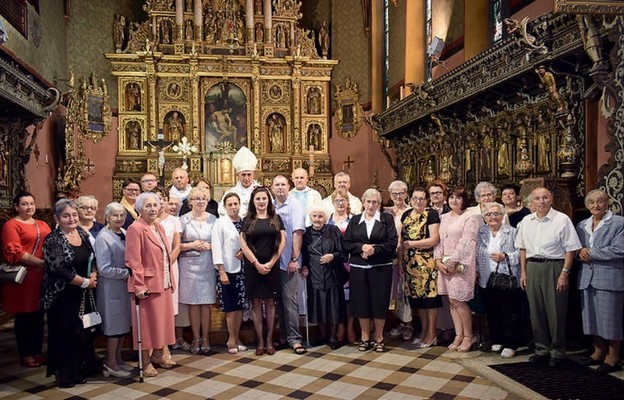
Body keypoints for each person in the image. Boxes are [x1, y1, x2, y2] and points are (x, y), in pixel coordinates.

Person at [515, 187, 581, 367]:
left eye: (545, 197)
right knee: (536, 312)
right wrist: (523, 272)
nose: (541, 201)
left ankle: (558, 351)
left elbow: (571, 249)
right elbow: (522, 248)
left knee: (555, 312)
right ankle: (541, 349)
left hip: (554, 267)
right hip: (532, 267)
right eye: (537, 198)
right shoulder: (526, 220)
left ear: (551, 200)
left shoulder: (562, 220)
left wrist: (564, 273)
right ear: (532, 202)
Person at [41, 199, 98, 388]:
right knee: (63, 334)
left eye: (74, 215)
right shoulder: (53, 239)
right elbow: (58, 269)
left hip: (82, 293)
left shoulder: (81, 232)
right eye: (66, 216)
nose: (72, 219)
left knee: (79, 332)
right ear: (57, 218)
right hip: (62, 295)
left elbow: (91, 256)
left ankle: (79, 369)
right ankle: (64, 373)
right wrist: (84, 282)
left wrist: (93, 274)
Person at [126, 192, 176, 377]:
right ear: (139, 208)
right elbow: (133, 260)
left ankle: (157, 355)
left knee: (161, 323)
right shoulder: (136, 228)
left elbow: (165, 255)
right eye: (147, 205)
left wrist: (170, 279)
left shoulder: (158, 227)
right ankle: (145, 361)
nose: (152, 209)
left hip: (162, 281)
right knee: (146, 326)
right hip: (147, 285)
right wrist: (139, 285)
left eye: (155, 205)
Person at [343, 188, 398, 352]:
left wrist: (374, 249)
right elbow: (346, 243)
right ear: (363, 202)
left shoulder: (386, 219)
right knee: (361, 303)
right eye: (368, 201)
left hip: (381, 268)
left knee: (379, 302)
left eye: (375, 202)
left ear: (379, 204)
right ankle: (365, 337)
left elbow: (392, 243)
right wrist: (362, 247)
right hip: (359, 268)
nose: (371, 205)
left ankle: (379, 337)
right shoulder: (355, 220)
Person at [1, 191, 51, 368]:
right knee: (24, 318)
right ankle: (26, 353)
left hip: (41, 276)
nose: (29, 207)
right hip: (24, 277)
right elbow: (14, 251)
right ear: (16, 207)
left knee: (38, 315)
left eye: (31, 203)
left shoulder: (42, 223)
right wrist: (40, 262)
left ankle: (37, 350)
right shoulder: (11, 225)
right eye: (24, 204)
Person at [576, 189, 624, 374]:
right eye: (592, 202)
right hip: (587, 278)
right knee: (592, 318)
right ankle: (598, 352)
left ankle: (613, 357)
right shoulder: (582, 225)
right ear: (587, 205)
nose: (596, 205)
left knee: (610, 319)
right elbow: (579, 247)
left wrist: (591, 253)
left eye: (600, 201)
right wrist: (581, 252)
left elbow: (619, 250)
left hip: (610, 277)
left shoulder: (619, 223)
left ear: (607, 203)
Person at [434, 186, 482, 352]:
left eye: (458, 197)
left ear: (464, 200)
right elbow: (440, 241)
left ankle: (469, 336)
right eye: (452, 197)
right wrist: (438, 260)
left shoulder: (470, 217)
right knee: (451, 302)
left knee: (459, 301)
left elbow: (467, 241)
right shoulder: (445, 217)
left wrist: (453, 262)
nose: (454, 200)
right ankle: (458, 335)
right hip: (445, 264)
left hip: (461, 264)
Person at [240, 186, 286, 356]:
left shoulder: (275, 218)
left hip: (271, 267)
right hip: (253, 268)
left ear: (269, 200)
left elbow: (282, 242)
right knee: (256, 303)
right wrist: (256, 263)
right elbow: (243, 244)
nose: (261, 202)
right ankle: (260, 341)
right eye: (258, 199)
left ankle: (269, 341)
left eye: (264, 198)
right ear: (253, 201)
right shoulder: (248, 220)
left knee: (271, 303)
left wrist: (272, 262)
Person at [476, 203, 522, 359]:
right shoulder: (481, 231)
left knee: (509, 312)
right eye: (489, 215)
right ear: (484, 217)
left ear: (503, 216)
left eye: (496, 214)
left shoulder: (512, 232)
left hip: (506, 277)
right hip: (486, 277)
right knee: (492, 311)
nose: (493, 217)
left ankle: (511, 344)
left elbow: (521, 252)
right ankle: (497, 339)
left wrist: (506, 256)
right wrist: (476, 270)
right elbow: (476, 253)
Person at [398, 187, 441, 348]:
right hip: (410, 265)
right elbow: (401, 241)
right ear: (410, 199)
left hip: (426, 263)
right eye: (415, 198)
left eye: (422, 198)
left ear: (427, 200)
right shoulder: (406, 215)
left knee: (430, 300)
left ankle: (432, 334)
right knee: (418, 301)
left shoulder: (431, 215)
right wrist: (401, 263)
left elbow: (434, 239)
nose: (418, 201)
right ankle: (423, 332)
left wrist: (413, 244)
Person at [94, 202, 132, 377]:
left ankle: (118, 359)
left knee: (122, 325)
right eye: (115, 215)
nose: (119, 218)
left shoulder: (123, 233)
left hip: (123, 288)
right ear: (107, 217)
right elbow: (104, 268)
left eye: (122, 215)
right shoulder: (103, 237)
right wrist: (128, 273)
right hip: (110, 288)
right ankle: (110, 364)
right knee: (113, 326)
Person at [178, 187, 217, 354]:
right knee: (194, 304)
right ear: (190, 201)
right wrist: (191, 245)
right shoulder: (182, 220)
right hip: (188, 266)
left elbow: (220, 242)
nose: (200, 201)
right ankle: (195, 338)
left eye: (204, 198)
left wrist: (210, 245)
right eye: (197, 198)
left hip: (207, 264)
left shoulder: (214, 219)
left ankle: (206, 338)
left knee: (206, 303)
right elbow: (175, 245)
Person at [272, 175, 307, 354]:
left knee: (290, 300)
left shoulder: (295, 204)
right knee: (278, 301)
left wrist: (294, 258)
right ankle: (283, 336)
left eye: (283, 184)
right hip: (272, 261)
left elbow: (298, 232)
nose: (280, 188)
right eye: (276, 185)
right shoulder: (270, 205)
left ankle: (295, 338)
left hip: (288, 261)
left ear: (288, 186)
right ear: (272, 188)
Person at [302, 205, 345, 349]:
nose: (317, 219)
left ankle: (333, 337)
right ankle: (321, 335)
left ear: (325, 218)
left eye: (320, 216)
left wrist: (332, 256)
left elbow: (343, 253)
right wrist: (304, 267)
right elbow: (303, 255)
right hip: (314, 276)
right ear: (310, 218)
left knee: (333, 306)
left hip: (331, 274)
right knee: (317, 306)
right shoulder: (305, 233)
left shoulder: (333, 231)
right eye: (314, 216)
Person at [152, 187, 187, 355]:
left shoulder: (174, 220)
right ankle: (154, 345)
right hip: (152, 269)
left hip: (171, 266)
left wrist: (166, 263)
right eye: (155, 199)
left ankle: (166, 346)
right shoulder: (146, 221)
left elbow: (177, 245)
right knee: (154, 307)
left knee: (169, 307)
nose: (159, 203)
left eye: (162, 199)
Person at [212, 192, 249, 354]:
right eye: (230, 204)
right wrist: (221, 270)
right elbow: (216, 246)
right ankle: (231, 339)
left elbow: (249, 243)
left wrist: (243, 251)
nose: (234, 207)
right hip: (227, 270)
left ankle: (238, 336)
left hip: (243, 270)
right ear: (225, 207)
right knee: (230, 306)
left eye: (236, 204)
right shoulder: (221, 223)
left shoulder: (244, 222)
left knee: (240, 305)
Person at [328, 188, 357, 344]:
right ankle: (340, 325)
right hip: (334, 263)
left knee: (350, 297)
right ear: (333, 203)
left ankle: (350, 326)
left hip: (350, 262)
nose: (340, 203)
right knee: (337, 297)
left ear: (347, 202)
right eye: (337, 201)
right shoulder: (328, 220)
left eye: (343, 200)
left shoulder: (353, 220)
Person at [384, 180, 412, 340]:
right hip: (391, 257)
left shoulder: (411, 211)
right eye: (394, 194)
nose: (398, 196)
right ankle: (401, 321)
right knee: (395, 292)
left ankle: (409, 324)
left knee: (405, 291)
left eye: (401, 193)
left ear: (406, 194)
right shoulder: (386, 212)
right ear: (390, 195)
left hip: (408, 256)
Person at [218, 146, 261, 217]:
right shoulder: (231, 192)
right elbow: (222, 212)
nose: (246, 178)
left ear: (254, 175)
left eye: (249, 174)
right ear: (237, 175)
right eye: (243, 175)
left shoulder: (262, 191)